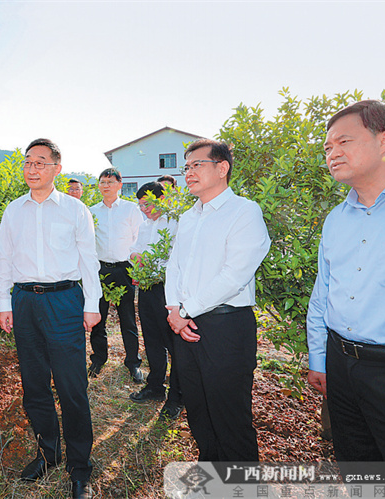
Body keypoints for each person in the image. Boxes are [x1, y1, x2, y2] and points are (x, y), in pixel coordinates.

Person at [306, 100, 385, 465]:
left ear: (384, 140)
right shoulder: (336, 218)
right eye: (328, 147)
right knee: (359, 469)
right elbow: (323, 292)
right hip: (342, 368)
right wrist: (319, 358)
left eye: (344, 142)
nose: (333, 153)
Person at [0, 138, 100, 499]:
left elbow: (89, 260)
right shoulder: (14, 211)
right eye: (28, 162)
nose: (32, 169)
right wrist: (3, 302)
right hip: (24, 302)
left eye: (40, 162)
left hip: (65, 301)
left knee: (72, 386)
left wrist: (92, 303)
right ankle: (48, 452)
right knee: (35, 383)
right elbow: (3, 258)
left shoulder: (74, 210)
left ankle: (80, 466)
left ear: (57, 168)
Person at [165, 139, 270, 462]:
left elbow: (234, 275)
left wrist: (185, 310)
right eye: (187, 167)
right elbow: (174, 266)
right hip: (185, 324)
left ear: (222, 168)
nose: (189, 172)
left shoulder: (244, 212)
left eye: (197, 164)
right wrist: (173, 309)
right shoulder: (188, 217)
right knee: (198, 410)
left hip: (226, 326)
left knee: (230, 417)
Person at [128, 178, 184, 420]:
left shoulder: (176, 223)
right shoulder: (144, 225)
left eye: (147, 204)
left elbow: (177, 259)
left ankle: (177, 397)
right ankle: (155, 386)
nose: (144, 209)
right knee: (152, 340)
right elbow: (135, 249)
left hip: (169, 291)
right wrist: (135, 256)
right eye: (140, 205)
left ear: (161, 199)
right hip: (148, 289)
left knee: (175, 345)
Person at [88, 168, 144, 382]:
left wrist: (137, 269)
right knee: (97, 317)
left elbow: (139, 238)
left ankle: (133, 363)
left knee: (128, 319)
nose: (106, 185)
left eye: (110, 181)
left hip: (124, 269)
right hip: (100, 270)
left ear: (120, 184)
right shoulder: (92, 211)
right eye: (102, 181)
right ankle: (98, 359)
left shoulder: (131, 210)